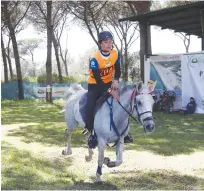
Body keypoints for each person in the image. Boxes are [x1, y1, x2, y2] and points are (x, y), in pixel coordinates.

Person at [85, 31, 133, 146]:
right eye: (106, 42)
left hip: (108, 83)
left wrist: (116, 80)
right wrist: (111, 92)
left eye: (110, 41)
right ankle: (91, 134)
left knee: (122, 103)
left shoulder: (116, 54)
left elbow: (118, 69)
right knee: (90, 106)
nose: (109, 44)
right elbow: (98, 79)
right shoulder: (94, 58)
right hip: (95, 85)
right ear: (100, 44)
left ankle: (125, 133)